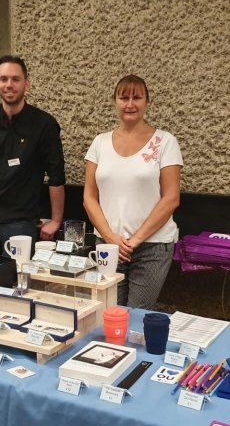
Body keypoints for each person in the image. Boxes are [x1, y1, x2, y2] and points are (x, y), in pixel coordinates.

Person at [83, 74, 183, 309]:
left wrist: (134, 241)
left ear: (147, 102)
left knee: (136, 317)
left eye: (137, 97)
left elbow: (171, 198)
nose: (130, 104)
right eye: (123, 97)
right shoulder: (100, 143)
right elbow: (89, 197)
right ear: (115, 102)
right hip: (108, 246)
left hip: (152, 246)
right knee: (109, 314)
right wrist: (109, 237)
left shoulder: (165, 142)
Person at [0, 55, 65, 266]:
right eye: (3, 79)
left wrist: (56, 220)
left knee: (18, 286)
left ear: (26, 84)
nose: (9, 85)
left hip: (20, 222)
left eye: (15, 79)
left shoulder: (44, 124)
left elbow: (56, 175)